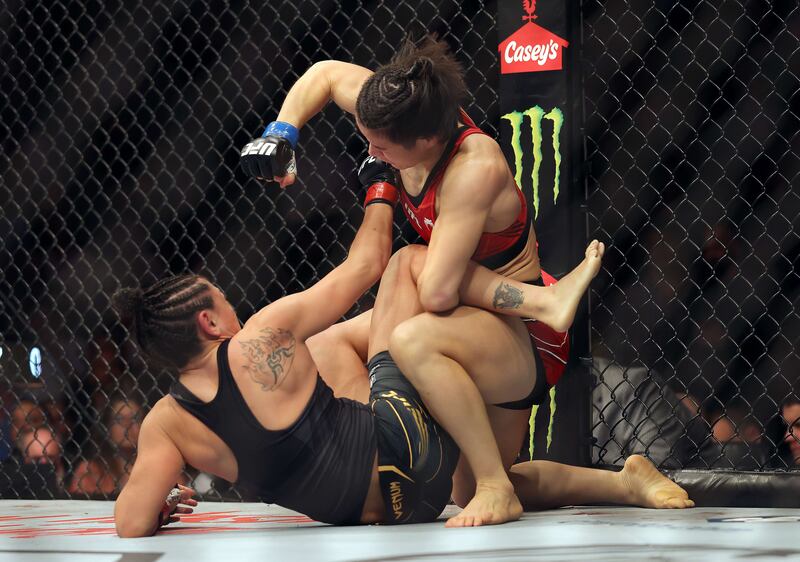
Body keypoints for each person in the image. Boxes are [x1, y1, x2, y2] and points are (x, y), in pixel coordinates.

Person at [113, 166, 690, 536]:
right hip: (407, 449)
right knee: (407, 265)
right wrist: (381, 185)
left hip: (398, 505)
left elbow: (129, 522)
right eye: (225, 305)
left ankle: (623, 482)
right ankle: (536, 303)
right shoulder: (260, 338)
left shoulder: (165, 425)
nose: (237, 312)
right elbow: (365, 264)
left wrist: (162, 508)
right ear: (210, 321)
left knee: (339, 341)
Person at [239, 36, 579, 523]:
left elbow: (438, 291)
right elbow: (327, 72)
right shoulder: (400, 109)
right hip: (461, 315)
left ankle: (466, 466)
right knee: (328, 344)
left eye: (380, 146)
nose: (370, 151)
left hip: (516, 331)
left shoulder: (472, 169)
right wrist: (282, 132)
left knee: (408, 269)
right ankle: (622, 483)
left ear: (424, 142)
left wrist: (379, 189)